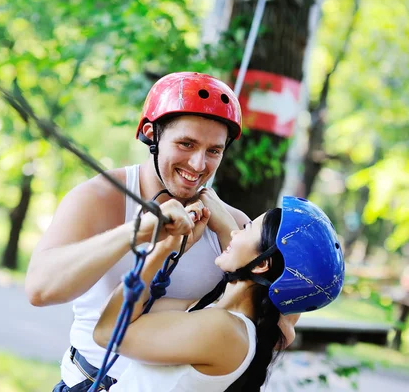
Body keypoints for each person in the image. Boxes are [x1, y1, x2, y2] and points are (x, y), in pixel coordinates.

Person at [26, 72, 276, 391]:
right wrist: (139, 231)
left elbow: (275, 325)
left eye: (214, 151)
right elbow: (40, 290)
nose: (199, 165)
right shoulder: (102, 197)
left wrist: (225, 224)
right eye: (186, 144)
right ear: (150, 134)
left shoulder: (235, 225)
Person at [93, 196, 345, 392]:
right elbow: (123, 311)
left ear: (262, 264)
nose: (234, 232)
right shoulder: (214, 313)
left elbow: (107, 333)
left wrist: (162, 247)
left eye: (246, 228)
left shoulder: (223, 330)